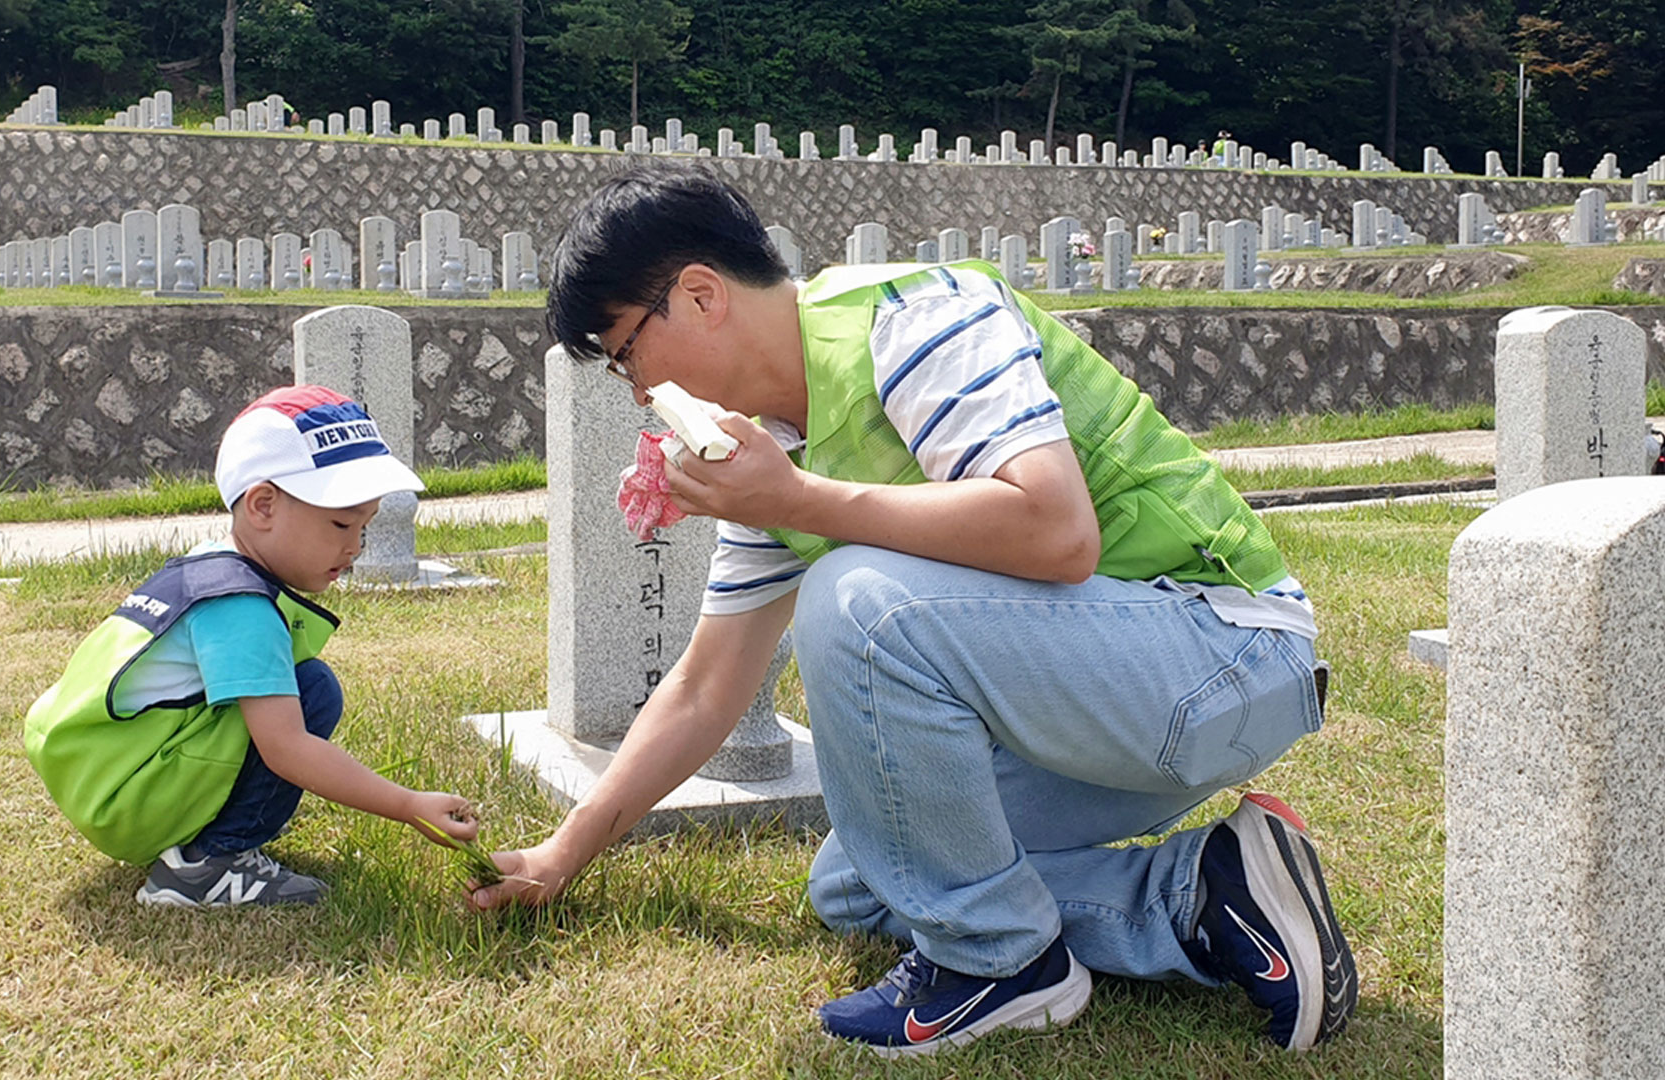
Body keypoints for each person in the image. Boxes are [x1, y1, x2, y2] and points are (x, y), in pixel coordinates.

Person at [472, 165, 1357, 1056]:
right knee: (868, 879)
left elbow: (1058, 533)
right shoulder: (778, 449)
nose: (633, 388)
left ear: (698, 295)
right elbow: (707, 688)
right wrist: (564, 852)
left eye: (626, 351)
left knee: (856, 600)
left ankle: (999, 966)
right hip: (1116, 700)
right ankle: (1208, 894)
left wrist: (799, 501)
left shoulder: (915, 318)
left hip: (1222, 655)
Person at [25, 385, 480, 907]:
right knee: (311, 693)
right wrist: (408, 804)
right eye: (339, 523)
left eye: (364, 527)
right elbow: (286, 748)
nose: (353, 547)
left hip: (104, 775)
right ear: (263, 504)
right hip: (127, 799)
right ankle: (208, 863)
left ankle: (211, 834)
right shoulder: (241, 606)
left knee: (296, 686)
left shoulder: (208, 565)